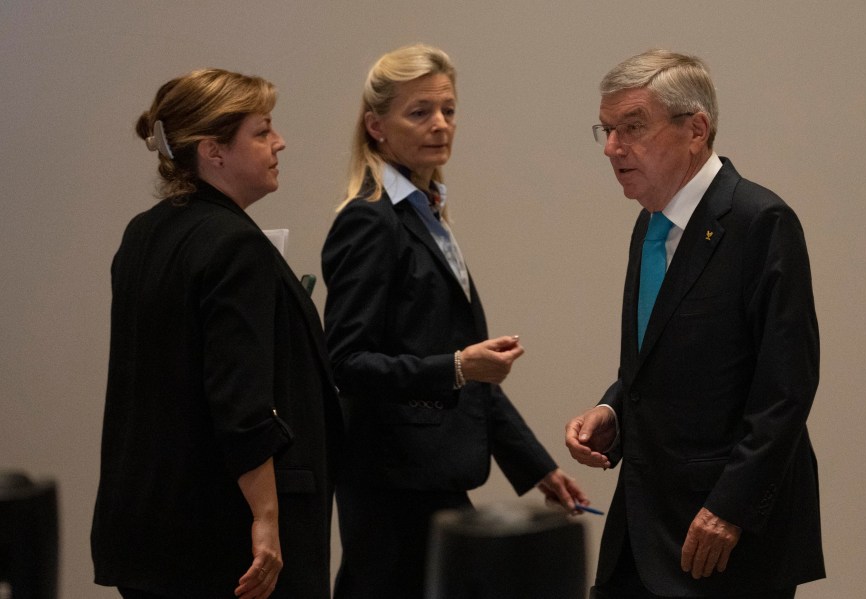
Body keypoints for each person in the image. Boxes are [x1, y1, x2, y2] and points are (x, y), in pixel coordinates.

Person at [321, 44, 589, 599]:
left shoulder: (427, 211)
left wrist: (537, 468)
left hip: (427, 474)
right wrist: (458, 366)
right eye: (419, 112)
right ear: (376, 126)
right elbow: (346, 363)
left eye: (448, 110)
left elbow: (470, 368)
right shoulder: (370, 222)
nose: (441, 124)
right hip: (390, 480)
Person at [564, 49, 825, 598]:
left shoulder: (760, 222)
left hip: (722, 536)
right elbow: (656, 362)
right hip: (645, 520)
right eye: (607, 130)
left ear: (696, 129)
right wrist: (613, 409)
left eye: (632, 127)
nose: (613, 147)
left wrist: (728, 508)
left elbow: (785, 389)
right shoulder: (650, 225)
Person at [91, 68, 342, 599]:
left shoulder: (144, 233)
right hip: (224, 538)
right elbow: (240, 400)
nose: (280, 143)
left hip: (150, 531)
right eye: (262, 131)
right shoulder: (235, 245)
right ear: (214, 151)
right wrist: (267, 521)